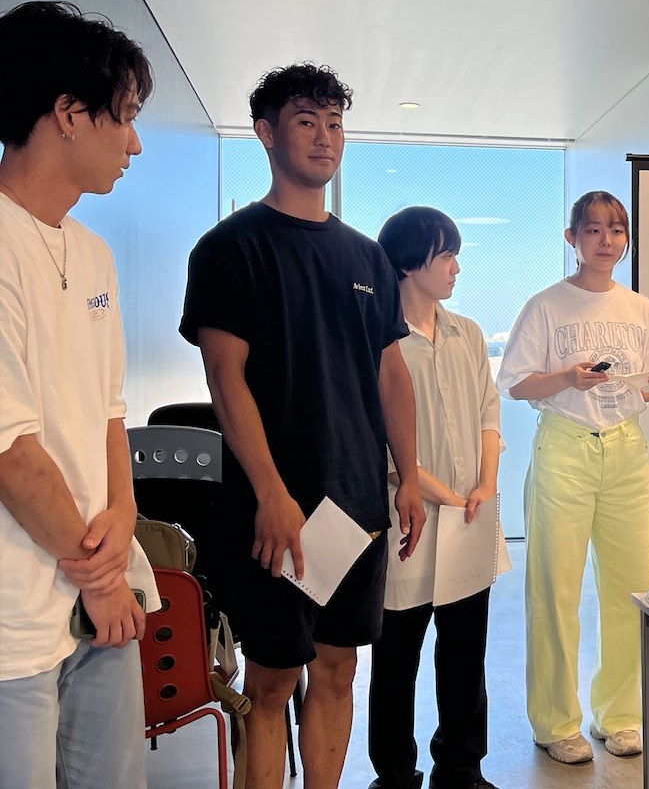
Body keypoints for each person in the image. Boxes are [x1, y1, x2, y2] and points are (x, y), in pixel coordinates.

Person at [179, 63, 425, 789]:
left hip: (355, 504)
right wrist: (270, 492)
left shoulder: (366, 256)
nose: (325, 137)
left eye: (335, 123)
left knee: (339, 668)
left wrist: (409, 477)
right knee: (273, 679)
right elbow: (224, 378)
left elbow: (390, 374)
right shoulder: (231, 248)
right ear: (266, 133)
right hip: (276, 507)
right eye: (306, 121)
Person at [0, 0, 160, 788]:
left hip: (101, 594)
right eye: (124, 117)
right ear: (68, 114)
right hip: (17, 615)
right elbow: (12, 453)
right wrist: (101, 580)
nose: (134, 143)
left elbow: (108, 411)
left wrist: (123, 517)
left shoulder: (93, 253)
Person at [495, 190, 649, 765]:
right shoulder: (546, 305)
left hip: (626, 449)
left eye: (617, 229)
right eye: (594, 229)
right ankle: (556, 723)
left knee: (631, 587)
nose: (607, 240)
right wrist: (567, 378)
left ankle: (620, 716)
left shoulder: (640, 308)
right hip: (564, 447)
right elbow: (516, 383)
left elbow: (647, 384)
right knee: (554, 589)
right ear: (572, 238)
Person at [368, 207, 505, 789]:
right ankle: (395, 773)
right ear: (408, 262)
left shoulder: (466, 333)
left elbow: (488, 413)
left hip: (469, 516)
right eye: (445, 255)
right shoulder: (379, 338)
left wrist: (485, 486)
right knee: (396, 657)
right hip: (410, 517)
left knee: (466, 652)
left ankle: (461, 767)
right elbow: (378, 439)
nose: (455, 267)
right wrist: (442, 493)